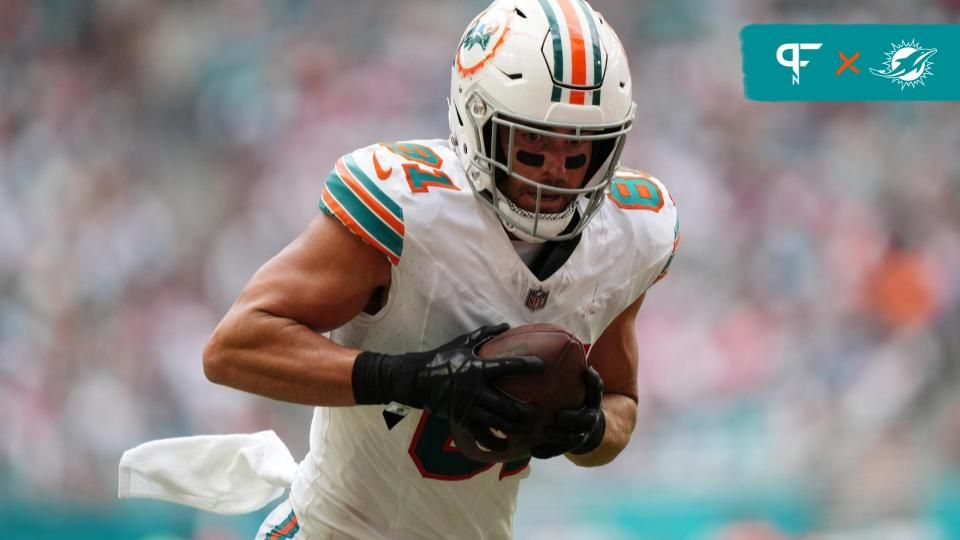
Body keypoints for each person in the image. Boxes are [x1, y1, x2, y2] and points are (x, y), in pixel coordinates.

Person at [120, 0, 678, 538]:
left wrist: (589, 427)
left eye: (578, 149)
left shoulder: (629, 235)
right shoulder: (410, 209)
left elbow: (620, 403)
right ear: (477, 118)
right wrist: (408, 378)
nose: (556, 170)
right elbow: (234, 349)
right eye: (532, 142)